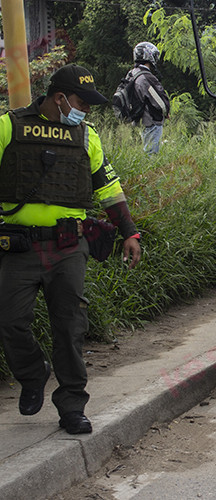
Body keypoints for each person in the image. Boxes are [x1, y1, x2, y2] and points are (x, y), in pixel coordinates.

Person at [0, 64, 142, 434]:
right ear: (60, 98)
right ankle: (33, 374)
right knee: (10, 322)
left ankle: (72, 406)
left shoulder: (86, 136)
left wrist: (129, 232)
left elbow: (109, 188)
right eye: (82, 101)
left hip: (67, 247)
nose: (87, 110)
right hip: (19, 247)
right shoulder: (7, 127)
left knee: (69, 328)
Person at [126, 42, 170, 154]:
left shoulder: (132, 74)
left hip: (138, 119)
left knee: (145, 150)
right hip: (151, 119)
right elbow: (159, 99)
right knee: (151, 154)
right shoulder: (147, 77)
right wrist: (166, 111)